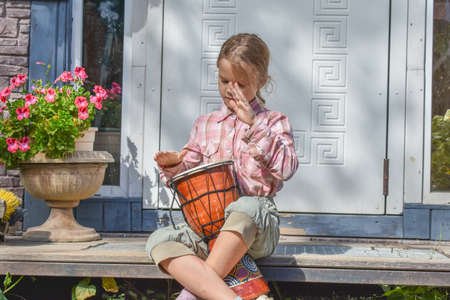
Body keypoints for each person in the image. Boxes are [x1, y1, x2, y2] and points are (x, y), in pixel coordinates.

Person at [146, 33, 298, 300]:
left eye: (241, 83)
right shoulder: (205, 124)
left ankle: (189, 296)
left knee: (246, 206)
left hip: (256, 229)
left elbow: (286, 168)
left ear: (261, 81)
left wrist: (254, 125)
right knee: (159, 240)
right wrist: (175, 167)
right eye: (224, 80)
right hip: (209, 231)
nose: (231, 89)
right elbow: (190, 181)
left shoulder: (273, 122)